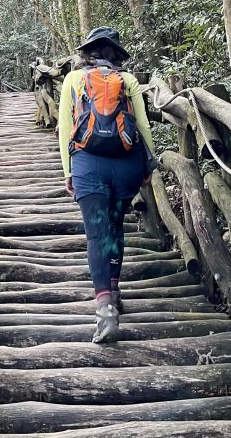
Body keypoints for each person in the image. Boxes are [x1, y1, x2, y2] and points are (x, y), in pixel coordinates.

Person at [58, 26, 157, 343]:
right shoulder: (128, 81)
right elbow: (141, 126)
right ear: (116, 54)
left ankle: (105, 312)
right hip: (127, 164)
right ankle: (114, 290)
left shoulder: (73, 81)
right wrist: (148, 164)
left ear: (88, 53)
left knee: (97, 234)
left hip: (89, 164)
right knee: (115, 228)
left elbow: (64, 129)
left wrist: (68, 171)